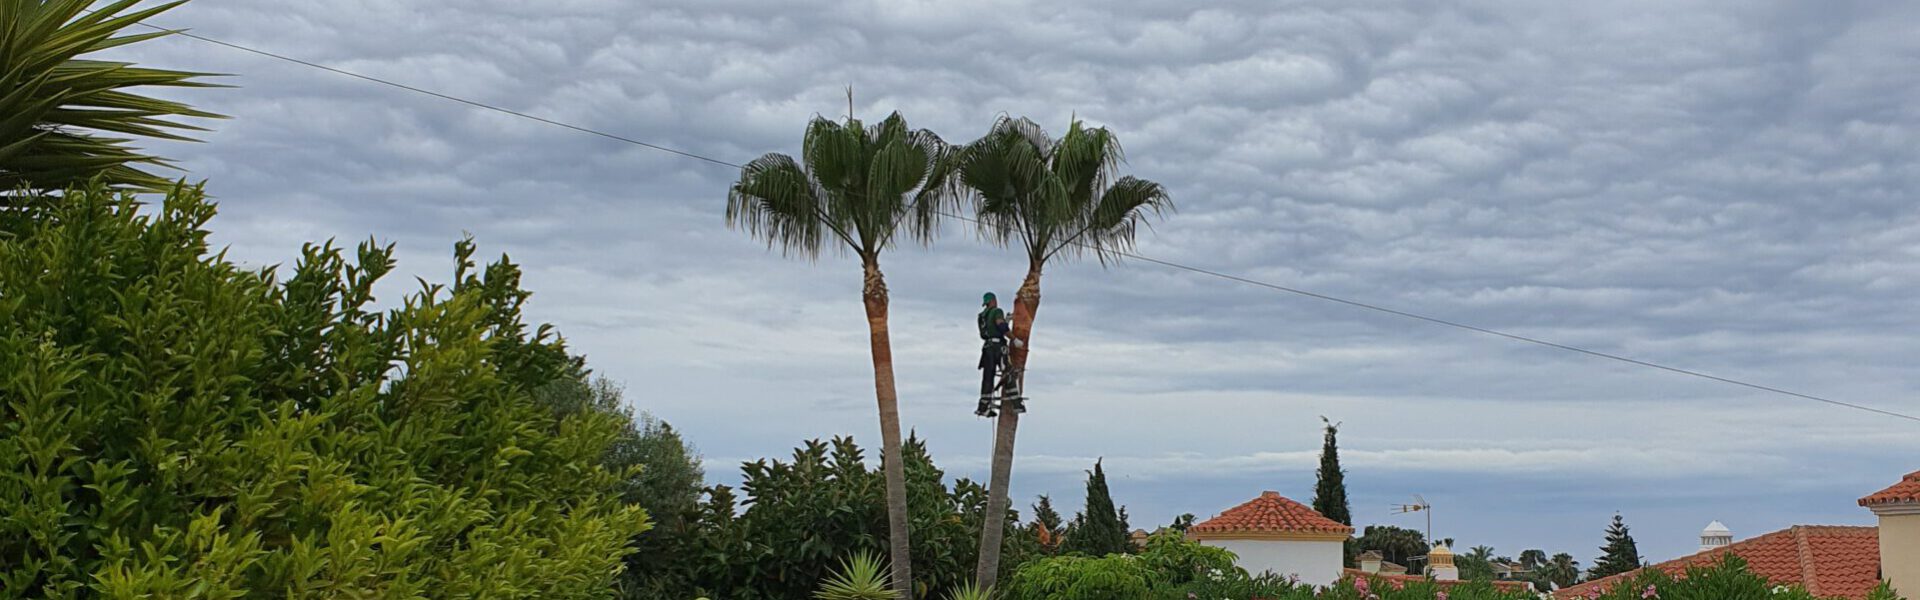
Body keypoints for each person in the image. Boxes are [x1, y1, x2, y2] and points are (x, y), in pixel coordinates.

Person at [977, 292, 1010, 415]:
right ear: (993, 301)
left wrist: (1006, 321)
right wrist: (1014, 338)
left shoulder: (982, 316)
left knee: (988, 378)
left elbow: (990, 329)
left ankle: (983, 407)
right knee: (1008, 371)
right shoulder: (997, 311)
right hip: (997, 348)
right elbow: (1000, 326)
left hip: (987, 348)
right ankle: (1015, 401)